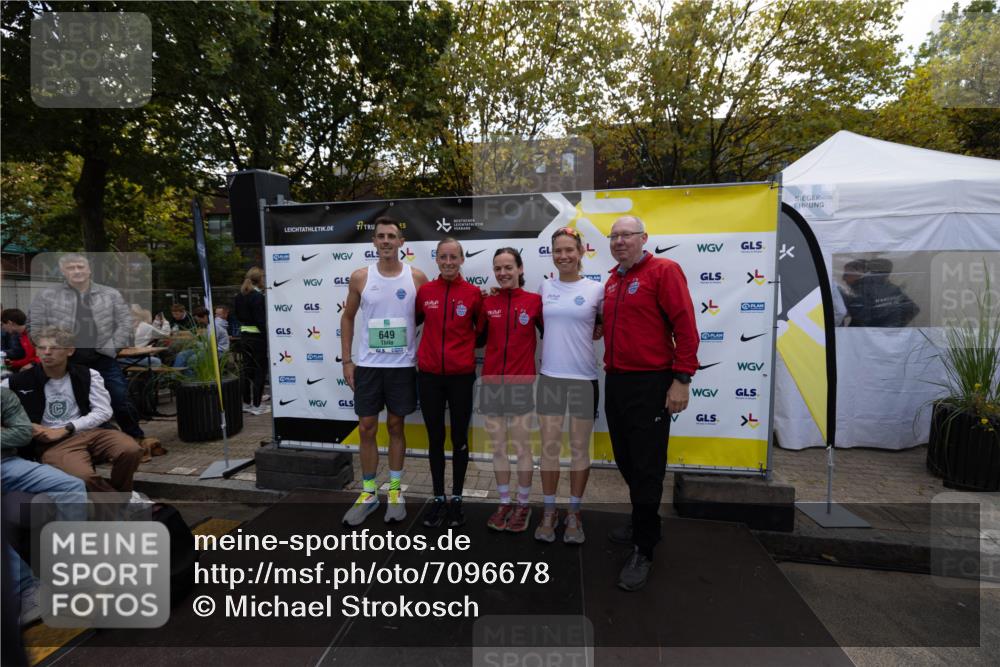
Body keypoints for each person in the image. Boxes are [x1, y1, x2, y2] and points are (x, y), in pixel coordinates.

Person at [603, 215, 699, 591]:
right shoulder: (613, 280)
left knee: (647, 468)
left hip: (651, 383)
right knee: (626, 459)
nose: (619, 241)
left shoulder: (664, 271)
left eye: (626, 235)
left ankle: (644, 547)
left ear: (644, 238)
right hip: (617, 381)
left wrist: (681, 380)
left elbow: (686, 328)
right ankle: (644, 519)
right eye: (614, 236)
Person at [341, 217, 428, 526]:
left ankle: (394, 491)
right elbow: (348, 317)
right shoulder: (360, 277)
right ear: (374, 242)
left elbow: (428, 316)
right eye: (381, 236)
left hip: (401, 367)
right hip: (368, 366)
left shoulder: (416, 277)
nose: (387, 241)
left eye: (392, 236)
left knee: (395, 426)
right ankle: (368, 493)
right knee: (366, 427)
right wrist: (347, 361)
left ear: (401, 242)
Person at [28, 253, 160, 455]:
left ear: (89, 269)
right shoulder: (47, 295)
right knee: (73, 402)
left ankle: (136, 437)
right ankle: (81, 445)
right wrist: (50, 348)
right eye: (71, 267)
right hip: (66, 360)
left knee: (119, 398)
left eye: (80, 266)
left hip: (102, 357)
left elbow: (125, 323)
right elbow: (34, 325)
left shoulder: (110, 294)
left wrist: (113, 347)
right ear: (63, 271)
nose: (76, 271)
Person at [3, 327, 144, 494]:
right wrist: (28, 426)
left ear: (70, 350)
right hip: (52, 443)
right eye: (41, 347)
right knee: (82, 477)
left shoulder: (88, 374)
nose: (47, 352)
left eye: (54, 348)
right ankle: (120, 501)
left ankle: (122, 496)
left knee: (131, 450)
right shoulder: (16, 382)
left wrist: (69, 427)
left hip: (92, 432)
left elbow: (103, 411)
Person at [534, 227, 604, 544]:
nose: (563, 256)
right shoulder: (545, 286)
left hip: (583, 379)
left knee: (579, 450)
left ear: (581, 252)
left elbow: (604, 323)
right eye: (558, 251)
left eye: (569, 250)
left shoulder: (596, 289)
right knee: (549, 448)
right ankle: (549, 511)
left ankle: (574, 512)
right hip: (551, 377)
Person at [2, 386, 88, 626]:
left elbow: (21, 433)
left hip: (6, 462)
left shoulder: (3, 395)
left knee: (71, 486)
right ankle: (27, 589)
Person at [415, 238, 482, 528]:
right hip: (429, 376)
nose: (448, 262)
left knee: (459, 439)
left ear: (462, 259)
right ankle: (438, 498)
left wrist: (461, 353)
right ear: (437, 260)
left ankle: (456, 499)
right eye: (443, 257)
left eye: (453, 257)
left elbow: (481, 333)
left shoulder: (473, 293)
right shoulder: (425, 292)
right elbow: (416, 321)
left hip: (461, 377)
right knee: (434, 439)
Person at [479, 248, 543, 534]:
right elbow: (477, 338)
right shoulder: (487, 302)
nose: (503, 273)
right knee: (498, 448)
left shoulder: (534, 302)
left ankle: (523, 504)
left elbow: (554, 333)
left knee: (522, 447)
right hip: (492, 383)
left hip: (521, 384)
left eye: (508, 267)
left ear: (520, 268)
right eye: (498, 268)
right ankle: (504, 502)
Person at [233, 267, 269, 415]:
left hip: (245, 337)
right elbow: (260, 321)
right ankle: (257, 405)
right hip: (257, 339)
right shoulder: (258, 297)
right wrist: (267, 337)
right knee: (260, 370)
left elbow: (238, 316)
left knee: (247, 370)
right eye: (263, 277)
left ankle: (246, 403)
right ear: (259, 279)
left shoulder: (239, 296)